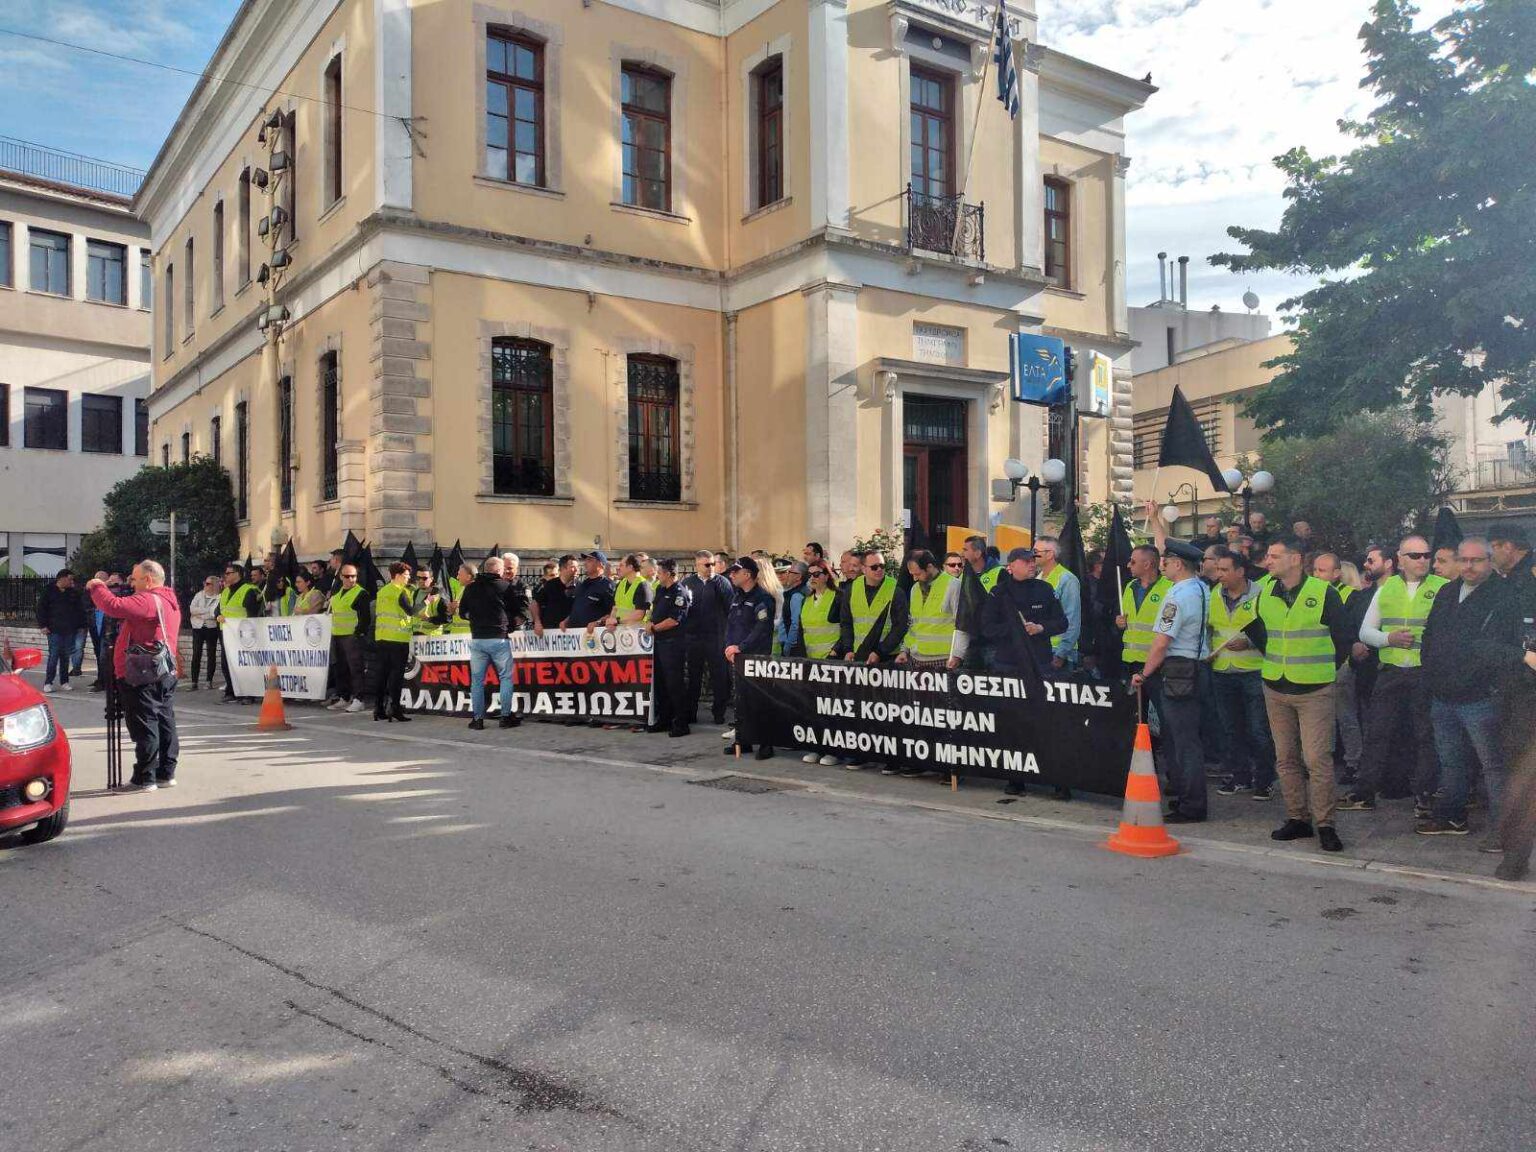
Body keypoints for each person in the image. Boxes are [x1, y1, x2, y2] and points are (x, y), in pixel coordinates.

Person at [1242, 538, 1354, 853]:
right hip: (1276, 686)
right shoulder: (1267, 593)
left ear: (1296, 559)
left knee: (1317, 759)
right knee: (1286, 758)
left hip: (1314, 688)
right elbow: (1261, 632)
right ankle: (1298, 818)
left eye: (1275, 556)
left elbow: (1343, 636)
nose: (1268, 561)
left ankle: (1325, 824)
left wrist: (1326, 669)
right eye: (1267, 556)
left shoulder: (1322, 593)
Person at [1417, 537, 1523, 841]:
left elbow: (1505, 648)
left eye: (1476, 560)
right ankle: (1451, 817)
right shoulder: (1447, 592)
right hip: (1443, 695)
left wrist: (1484, 682)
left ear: (1489, 561)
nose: (1468, 566)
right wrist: (1432, 674)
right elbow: (1431, 635)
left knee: (1493, 765)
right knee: (1451, 761)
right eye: (1463, 560)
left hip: (1481, 698)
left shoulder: (1503, 596)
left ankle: (1504, 831)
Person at [1341, 534, 1447, 815]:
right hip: (1390, 672)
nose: (1423, 560)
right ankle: (1364, 792)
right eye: (1416, 555)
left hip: (1425, 673)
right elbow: (1366, 631)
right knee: (1377, 733)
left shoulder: (1443, 587)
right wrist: (1389, 639)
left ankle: (1423, 795)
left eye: (1427, 555)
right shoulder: (1386, 589)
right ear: (1400, 560)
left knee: (1426, 737)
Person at [1130, 540, 1211, 822]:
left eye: (1166, 561)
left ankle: (1192, 804)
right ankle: (1190, 798)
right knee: (1189, 740)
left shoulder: (1177, 596)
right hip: (1198, 667)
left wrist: (1145, 672)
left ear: (1178, 564)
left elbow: (1162, 641)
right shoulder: (1201, 589)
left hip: (1178, 669)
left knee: (1182, 742)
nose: (1162, 564)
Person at [86, 561, 182, 792]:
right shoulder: (168, 599)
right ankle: (165, 773)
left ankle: (144, 777)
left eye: (135, 579)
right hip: (164, 670)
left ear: (148, 580)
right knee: (164, 720)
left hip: (142, 673)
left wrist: (97, 585)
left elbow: (113, 606)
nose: (132, 583)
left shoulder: (148, 600)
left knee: (144, 723)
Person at [983, 547, 1068, 796]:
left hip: (1039, 664)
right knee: (1012, 724)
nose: (1032, 564)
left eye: (1034, 560)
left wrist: (1041, 628)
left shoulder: (1044, 589)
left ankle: (1057, 779)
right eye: (1026, 561)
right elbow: (986, 628)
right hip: (1008, 665)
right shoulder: (999, 593)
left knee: (1048, 722)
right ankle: (1015, 779)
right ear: (1011, 566)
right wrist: (1015, 630)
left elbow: (1062, 622)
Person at [1208, 548, 1276, 801]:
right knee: (1231, 728)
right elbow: (1209, 628)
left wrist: (1249, 643)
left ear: (1240, 571)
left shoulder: (1262, 594)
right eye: (1218, 570)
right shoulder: (1214, 594)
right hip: (1222, 670)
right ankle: (1240, 776)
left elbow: (1271, 629)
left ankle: (1265, 779)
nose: (1220, 575)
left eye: (1225, 570)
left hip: (1253, 670)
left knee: (1258, 729)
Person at [1312, 551, 1364, 785]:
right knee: (1323, 718)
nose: (1316, 574)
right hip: (1316, 663)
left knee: (1345, 716)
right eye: (1314, 570)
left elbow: (1350, 633)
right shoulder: (1310, 594)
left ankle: (1353, 762)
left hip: (1340, 664)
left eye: (1322, 571)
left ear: (1336, 574)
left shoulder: (1350, 596)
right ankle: (1324, 759)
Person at [458, 558, 523, 731]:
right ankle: (505, 717)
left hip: (478, 639)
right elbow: (516, 611)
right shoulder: (505, 587)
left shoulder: (471, 588)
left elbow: (462, 613)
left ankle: (478, 720)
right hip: (498, 638)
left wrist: (475, 617)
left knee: (477, 681)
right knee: (505, 678)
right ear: (499, 571)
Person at [721, 556, 776, 760]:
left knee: (759, 701)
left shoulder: (763, 598)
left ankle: (766, 743)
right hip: (736, 656)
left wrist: (740, 647)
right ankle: (743, 741)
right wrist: (728, 646)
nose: (732, 575)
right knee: (741, 701)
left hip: (755, 657)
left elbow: (761, 629)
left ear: (748, 575)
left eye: (736, 571)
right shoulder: (737, 597)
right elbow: (731, 625)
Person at [683, 550, 734, 727]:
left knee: (719, 677)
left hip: (716, 638)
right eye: (707, 565)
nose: (711, 568)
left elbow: (731, 611)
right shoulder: (688, 583)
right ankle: (690, 712)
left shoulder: (723, 583)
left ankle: (718, 713)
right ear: (697, 565)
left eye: (713, 564)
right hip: (694, 638)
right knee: (694, 678)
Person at [643, 558, 692, 737]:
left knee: (674, 684)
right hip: (658, 643)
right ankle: (664, 720)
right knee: (661, 684)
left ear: (670, 574)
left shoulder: (680, 593)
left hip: (673, 644)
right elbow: (653, 611)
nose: (658, 575)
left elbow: (674, 620)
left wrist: (654, 628)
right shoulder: (660, 589)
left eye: (661, 572)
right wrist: (649, 622)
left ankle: (681, 723)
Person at [835, 549, 908, 665]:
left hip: (887, 656)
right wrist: (848, 649)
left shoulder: (895, 589)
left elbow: (900, 627)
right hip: (859, 655)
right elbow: (846, 623)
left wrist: (880, 652)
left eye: (882, 566)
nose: (879, 569)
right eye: (874, 567)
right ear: (863, 569)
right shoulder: (852, 589)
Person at [371, 561, 419, 723]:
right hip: (398, 639)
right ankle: (395, 708)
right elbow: (411, 611)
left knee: (382, 675)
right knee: (396, 676)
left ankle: (378, 708)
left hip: (382, 638)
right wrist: (427, 602)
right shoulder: (400, 592)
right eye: (406, 576)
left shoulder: (383, 591)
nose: (408, 579)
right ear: (397, 576)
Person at [1115, 544, 1171, 676]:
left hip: (1157, 662)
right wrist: (1119, 622)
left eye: (1133, 562)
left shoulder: (1170, 588)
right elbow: (1128, 619)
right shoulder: (1130, 586)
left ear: (1147, 564)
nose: (1129, 565)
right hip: (1130, 660)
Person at [325, 565, 370, 713]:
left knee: (356, 669)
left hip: (352, 637)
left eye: (353, 576)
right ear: (341, 577)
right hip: (337, 635)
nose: (351, 579)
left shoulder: (360, 593)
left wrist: (359, 633)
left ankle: (359, 699)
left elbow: (365, 618)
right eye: (347, 576)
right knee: (340, 668)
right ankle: (344, 697)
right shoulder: (336, 595)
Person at [216, 564, 263, 704]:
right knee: (227, 664)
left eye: (229, 573)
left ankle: (249, 694)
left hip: (244, 636)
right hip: (227, 633)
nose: (226, 576)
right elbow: (219, 609)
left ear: (238, 574)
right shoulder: (225, 591)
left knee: (246, 664)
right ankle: (232, 691)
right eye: (225, 573)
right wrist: (218, 616)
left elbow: (253, 614)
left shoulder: (249, 590)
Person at [1035, 535, 1082, 672]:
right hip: (1040, 649)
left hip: (1059, 653)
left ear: (1050, 554)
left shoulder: (1067, 579)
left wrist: (1062, 653)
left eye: (1036, 552)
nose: (1033, 555)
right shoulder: (1037, 578)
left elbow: (1072, 619)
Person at [37, 569, 87, 694]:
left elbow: (79, 609)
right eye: (69, 579)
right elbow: (41, 609)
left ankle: (64, 681)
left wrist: (81, 625)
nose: (71, 581)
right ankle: (48, 682)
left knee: (65, 656)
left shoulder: (72, 593)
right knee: (54, 655)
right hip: (53, 629)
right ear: (62, 578)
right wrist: (43, 625)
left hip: (69, 629)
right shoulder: (49, 591)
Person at [564, 552, 615, 633]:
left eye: (590, 560)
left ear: (600, 564)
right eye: (585, 560)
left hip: (595, 636)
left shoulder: (607, 585)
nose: (585, 563)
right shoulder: (583, 584)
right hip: (576, 635)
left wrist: (598, 622)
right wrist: (567, 620)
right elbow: (578, 607)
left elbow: (613, 611)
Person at [188, 575, 223, 691]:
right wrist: (204, 612)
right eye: (205, 583)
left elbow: (214, 614)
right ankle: (194, 682)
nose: (205, 586)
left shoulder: (219, 597)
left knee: (211, 654)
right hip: (197, 627)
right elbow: (192, 609)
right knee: (196, 653)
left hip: (211, 628)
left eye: (208, 584)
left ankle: (209, 681)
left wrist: (200, 613)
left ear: (214, 585)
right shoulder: (199, 595)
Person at [531, 554, 577, 638]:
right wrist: (537, 622)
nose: (576, 570)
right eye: (573, 567)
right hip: (550, 634)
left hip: (573, 634)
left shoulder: (580, 587)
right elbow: (534, 604)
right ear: (563, 568)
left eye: (577, 567)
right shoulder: (550, 585)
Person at [774, 561, 808, 656]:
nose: (787, 574)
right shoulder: (794, 592)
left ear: (798, 576)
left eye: (790, 572)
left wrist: (789, 645)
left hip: (793, 646)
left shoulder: (796, 595)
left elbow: (795, 623)